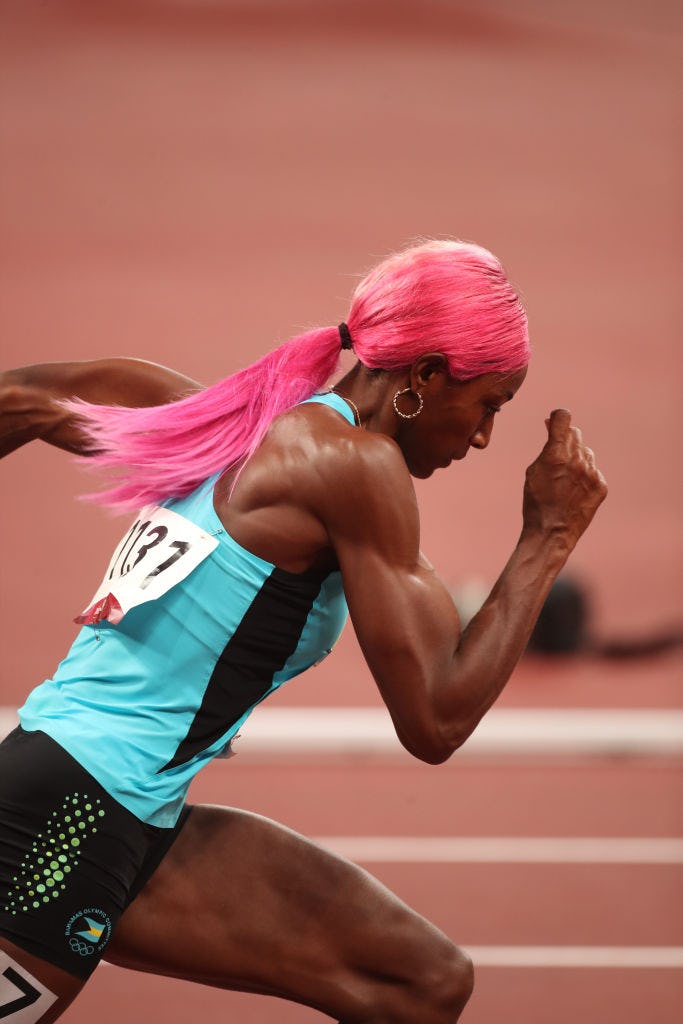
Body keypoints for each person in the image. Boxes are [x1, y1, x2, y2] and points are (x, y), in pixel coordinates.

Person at [0, 239, 606, 1023]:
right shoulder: (352, 466)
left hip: (131, 812)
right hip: (70, 818)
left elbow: (22, 397)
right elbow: (436, 718)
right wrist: (547, 539)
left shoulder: (230, 421)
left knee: (417, 982)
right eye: (488, 404)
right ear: (421, 378)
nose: (484, 436)